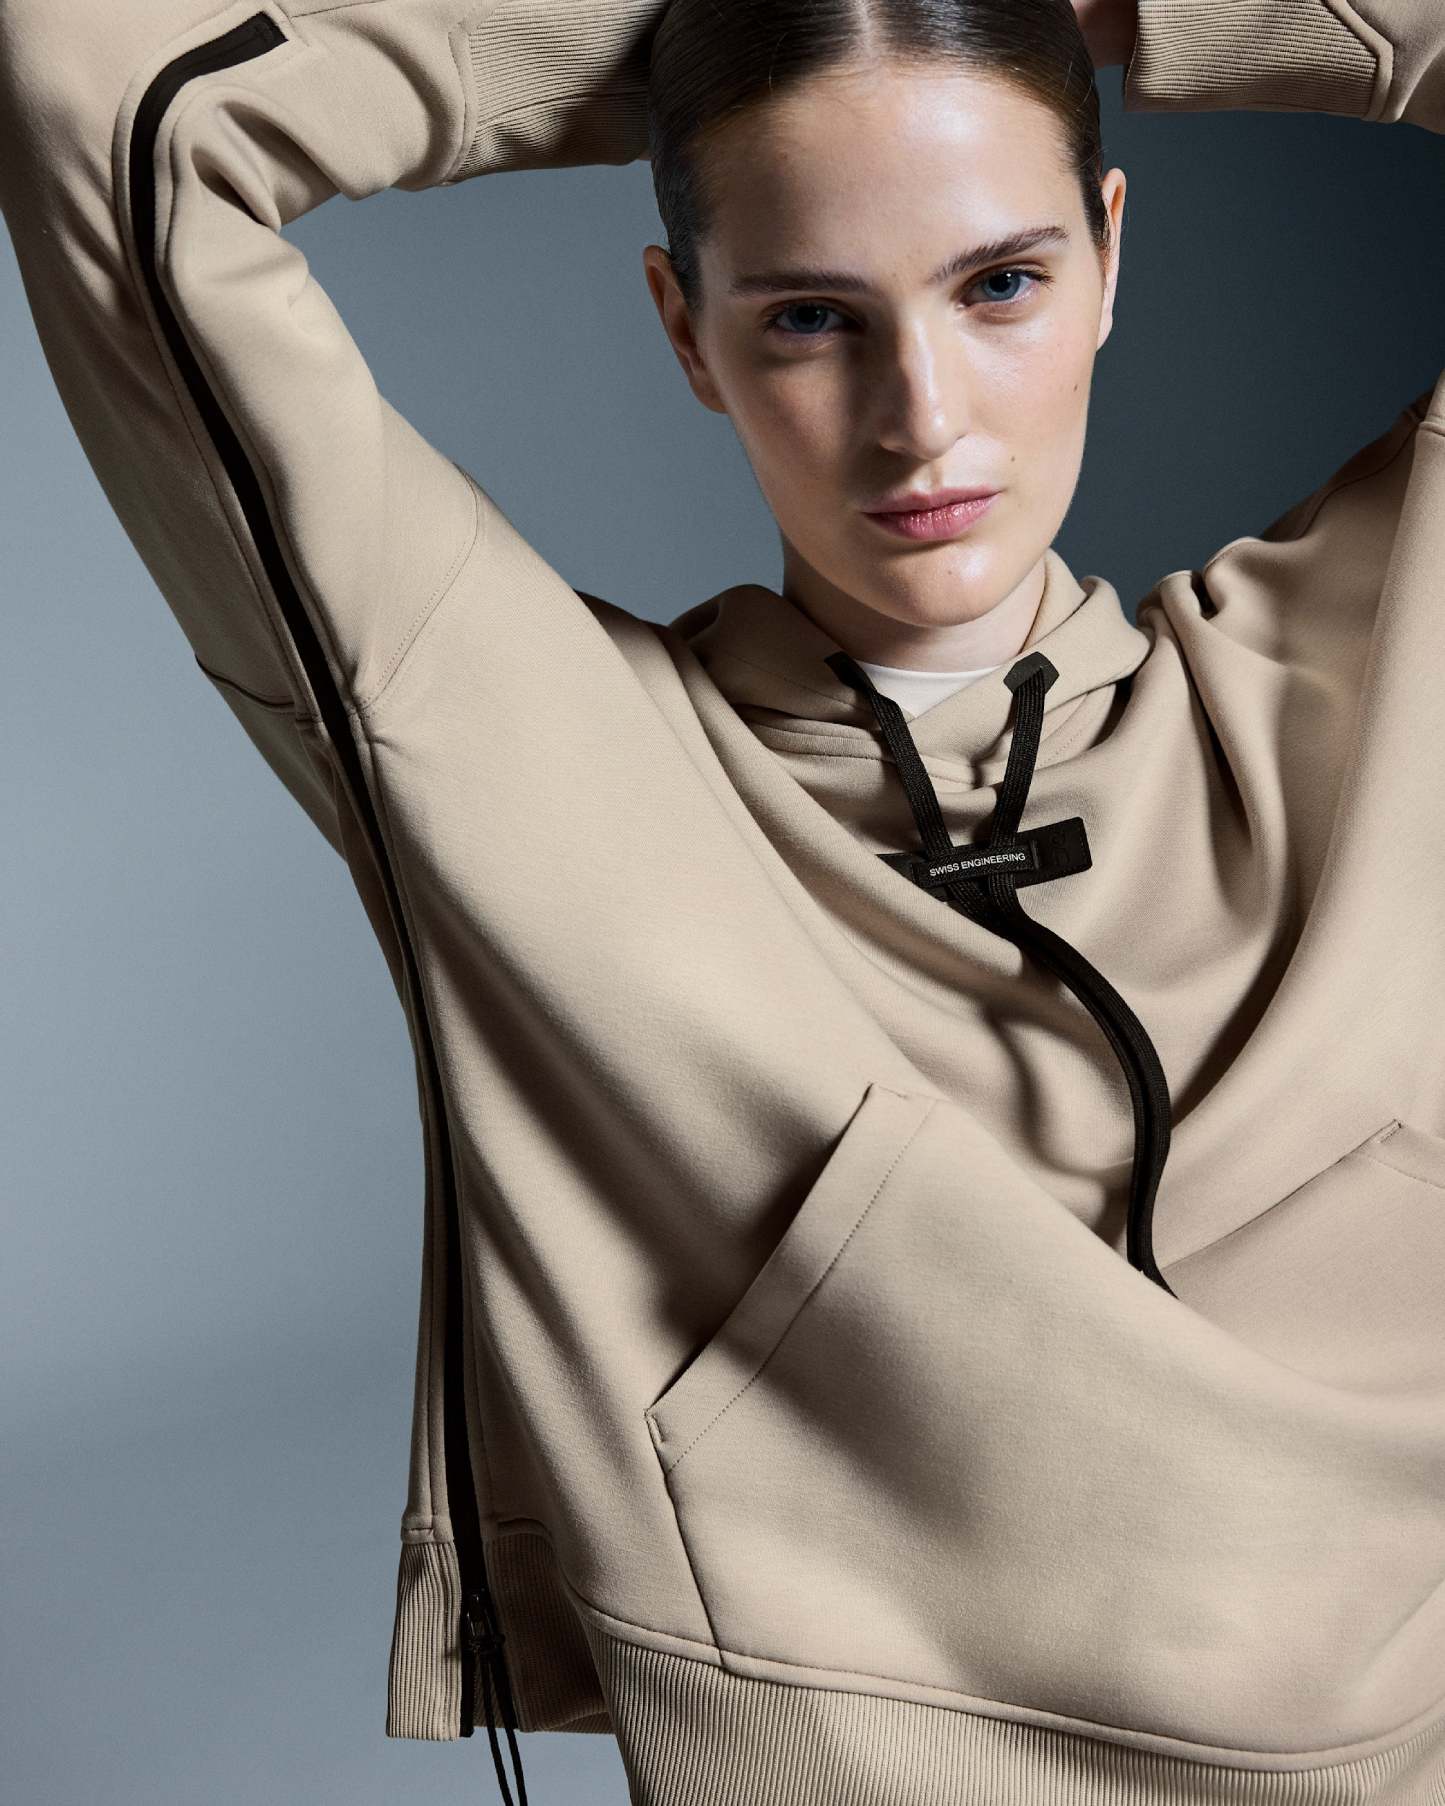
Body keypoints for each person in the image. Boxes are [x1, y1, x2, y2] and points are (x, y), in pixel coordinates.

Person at [4, 1, 1444, 1803]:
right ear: (685, 328)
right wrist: (714, 27)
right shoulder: (520, 739)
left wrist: (1100, 12)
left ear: (1107, 258)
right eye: (810, 317)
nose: (921, 419)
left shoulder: (1376, 660)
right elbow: (96, 94)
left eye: (999, 284)